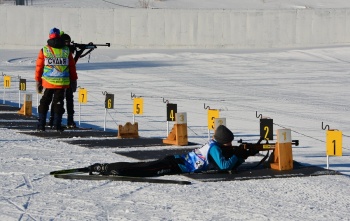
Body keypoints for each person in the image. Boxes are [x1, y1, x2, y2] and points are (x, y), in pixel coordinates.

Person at [88, 125, 258, 177]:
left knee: (145, 166)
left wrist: (242, 156)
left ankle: (105, 167)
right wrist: (239, 155)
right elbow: (223, 166)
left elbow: (228, 164)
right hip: (176, 165)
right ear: (223, 141)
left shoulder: (215, 145)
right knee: (144, 170)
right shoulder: (215, 148)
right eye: (229, 142)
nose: (230, 145)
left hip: (176, 161)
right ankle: (110, 169)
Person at [35, 28, 78, 132]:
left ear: (50, 36)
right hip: (62, 82)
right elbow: (72, 67)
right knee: (59, 103)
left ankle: (41, 125)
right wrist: (73, 80)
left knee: (44, 102)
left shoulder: (44, 50)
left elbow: (39, 67)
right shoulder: (66, 50)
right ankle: (57, 126)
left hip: (48, 82)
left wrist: (38, 81)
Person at [48, 31, 93, 128]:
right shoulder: (62, 51)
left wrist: (78, 52)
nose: (68, 44)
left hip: (67, 79)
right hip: (62, 79)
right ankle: (53, 120)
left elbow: (72, 64)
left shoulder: (66, 50)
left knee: (68, 100)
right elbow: (70, 64)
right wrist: (77, 53)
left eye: (69, 42)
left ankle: (68, 120)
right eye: (66, 42)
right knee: (58, 100)